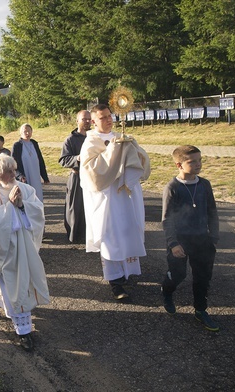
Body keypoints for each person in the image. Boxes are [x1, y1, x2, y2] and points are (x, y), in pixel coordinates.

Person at [0, 155, 50, 351]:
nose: (13, 174)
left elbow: (38, 212)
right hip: (5, 252)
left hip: (25, 248)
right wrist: (10, 206)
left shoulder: (25, 189)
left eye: (14, 169)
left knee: (25, 286)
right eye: (9, 171)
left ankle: (21, 320)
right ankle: (23, 332)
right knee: (12, 288)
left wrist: (22, 205)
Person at [79, 103, 150, 300]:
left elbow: (141, 160)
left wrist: (132, 148)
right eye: (103, 117)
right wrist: (114, 151)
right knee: (111, 237)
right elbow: (92, 172)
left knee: (128, 231)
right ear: (93, 121)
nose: (109, 120)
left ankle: (127, 273)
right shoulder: (91, 142)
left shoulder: (120, 137)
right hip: (107, 199)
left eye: (110, 116)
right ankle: (115, 283)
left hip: (126, 195)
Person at [160, 145, 220, 331]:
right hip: (180, 241)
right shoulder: (172, 187)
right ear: (179, 164)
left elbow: (212, 211)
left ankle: (200, 310)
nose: (198, 165)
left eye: (199, 160)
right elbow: (167, 219)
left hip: (202, 240)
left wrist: (214, 237)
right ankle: (167, 290)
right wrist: (173, 243)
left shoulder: (204, 184)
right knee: (179, 274)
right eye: (192, 161)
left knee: (203, 277)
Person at [59, 110, 91, 243]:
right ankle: (74, 235)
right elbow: (63, 160)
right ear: (77, 121)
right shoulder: (70, 140)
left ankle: (89, 234)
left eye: (89, 119)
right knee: (75, 207)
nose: (87, 121)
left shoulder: (93, 138)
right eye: (84, 119)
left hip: (92, 178)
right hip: (77, 177)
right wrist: (77, 158)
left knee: (90, 206)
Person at [11, 123, 50, 202]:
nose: (27, 133)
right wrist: (20, 176)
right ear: (21, 133)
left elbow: (40, 161)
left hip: (35, 177)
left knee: (37, 197)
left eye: (29, 131)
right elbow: (14, 164)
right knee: (26, 198)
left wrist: (45, 177)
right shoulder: (17, 145)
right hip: (24, 178)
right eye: (25, 131)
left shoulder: (34, 144)